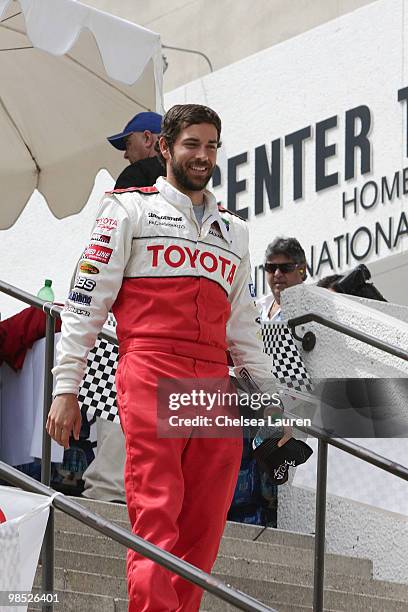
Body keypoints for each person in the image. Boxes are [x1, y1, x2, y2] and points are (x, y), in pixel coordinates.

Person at [47, 104, 289, 612]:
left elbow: (243, 328)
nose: (203, 156)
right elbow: (86, 303)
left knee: (203, 524)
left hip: (214, 382)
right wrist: (66, 388)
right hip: (151, 365)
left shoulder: (235, 231)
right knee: (157, 510)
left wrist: (269, 404)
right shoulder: (126, 209)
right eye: (191, 145)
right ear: (165, 148)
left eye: (211, 146)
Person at [107, 111, 163, 189]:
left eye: (128, 143)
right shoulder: (181, 174)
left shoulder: (136, 174)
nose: (125, 155)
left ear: (147, 138)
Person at [257, 237, 307, 321]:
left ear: (302, 270)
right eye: (271, 268)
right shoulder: (258, 308)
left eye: (285, 267)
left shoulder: (314, 307)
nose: (277, 274)